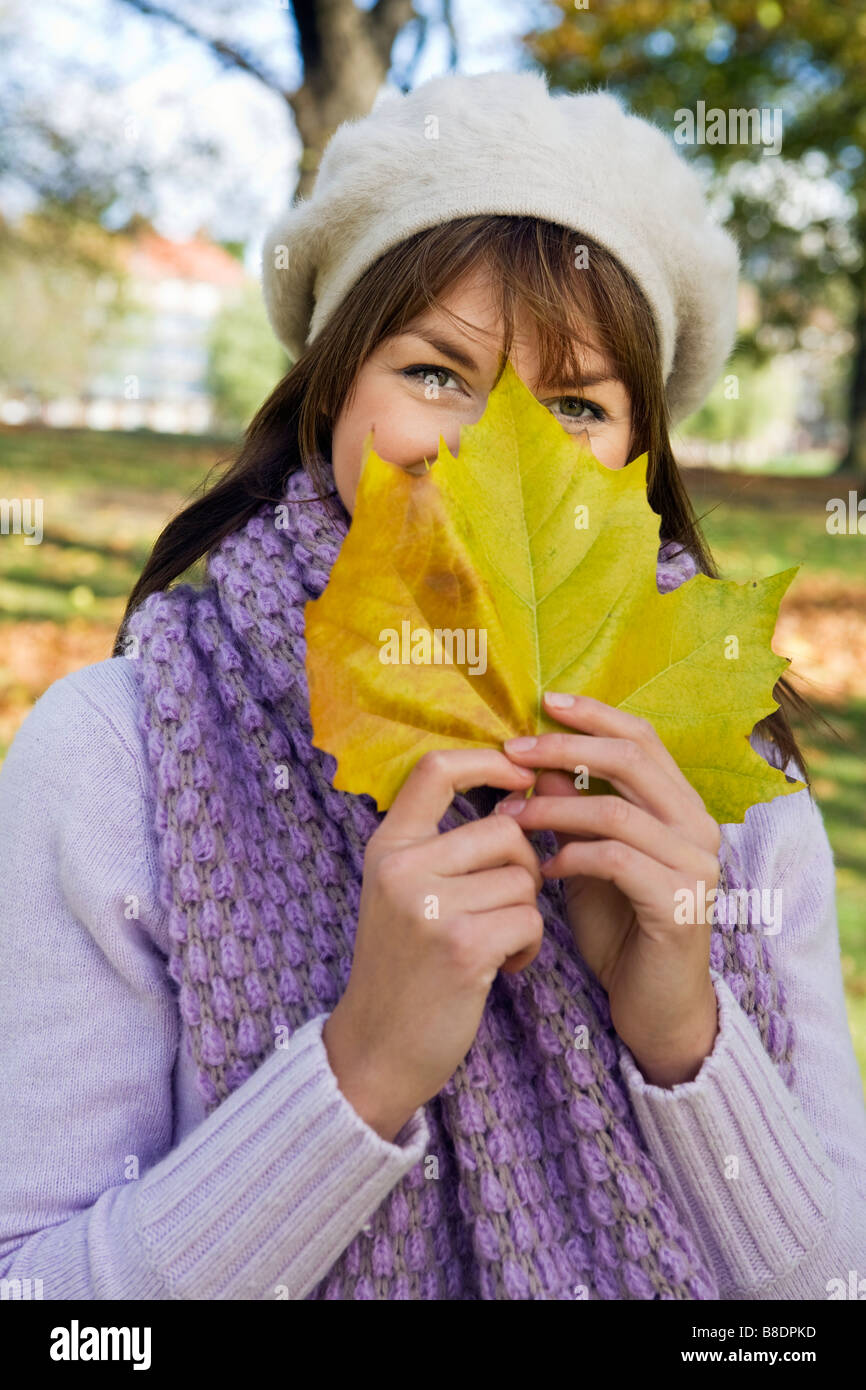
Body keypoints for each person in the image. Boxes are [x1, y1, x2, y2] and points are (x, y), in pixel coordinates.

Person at [1, 70, 864, 1301]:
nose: (487, 454)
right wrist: (358, 1073)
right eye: (434, 374)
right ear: (332, 392)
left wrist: (682, 1036)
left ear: (634, 455)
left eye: (570, 401)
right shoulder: (119, 756)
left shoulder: (730, 775)